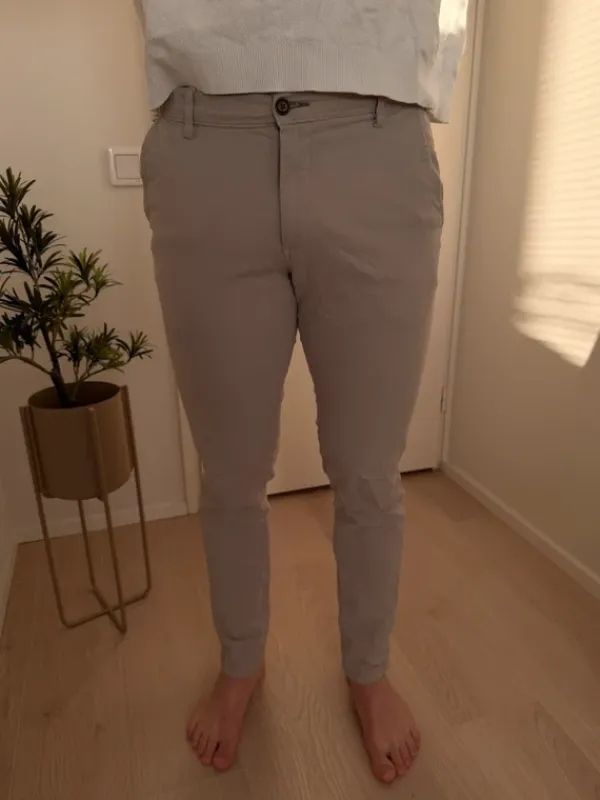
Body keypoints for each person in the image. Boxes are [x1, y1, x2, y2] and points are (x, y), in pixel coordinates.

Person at [137, 0, 469, 784]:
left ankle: (367, 670)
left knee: (368, 468)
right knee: (230, 469)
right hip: (207, 141)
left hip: (378, 139)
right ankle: (240, 661)